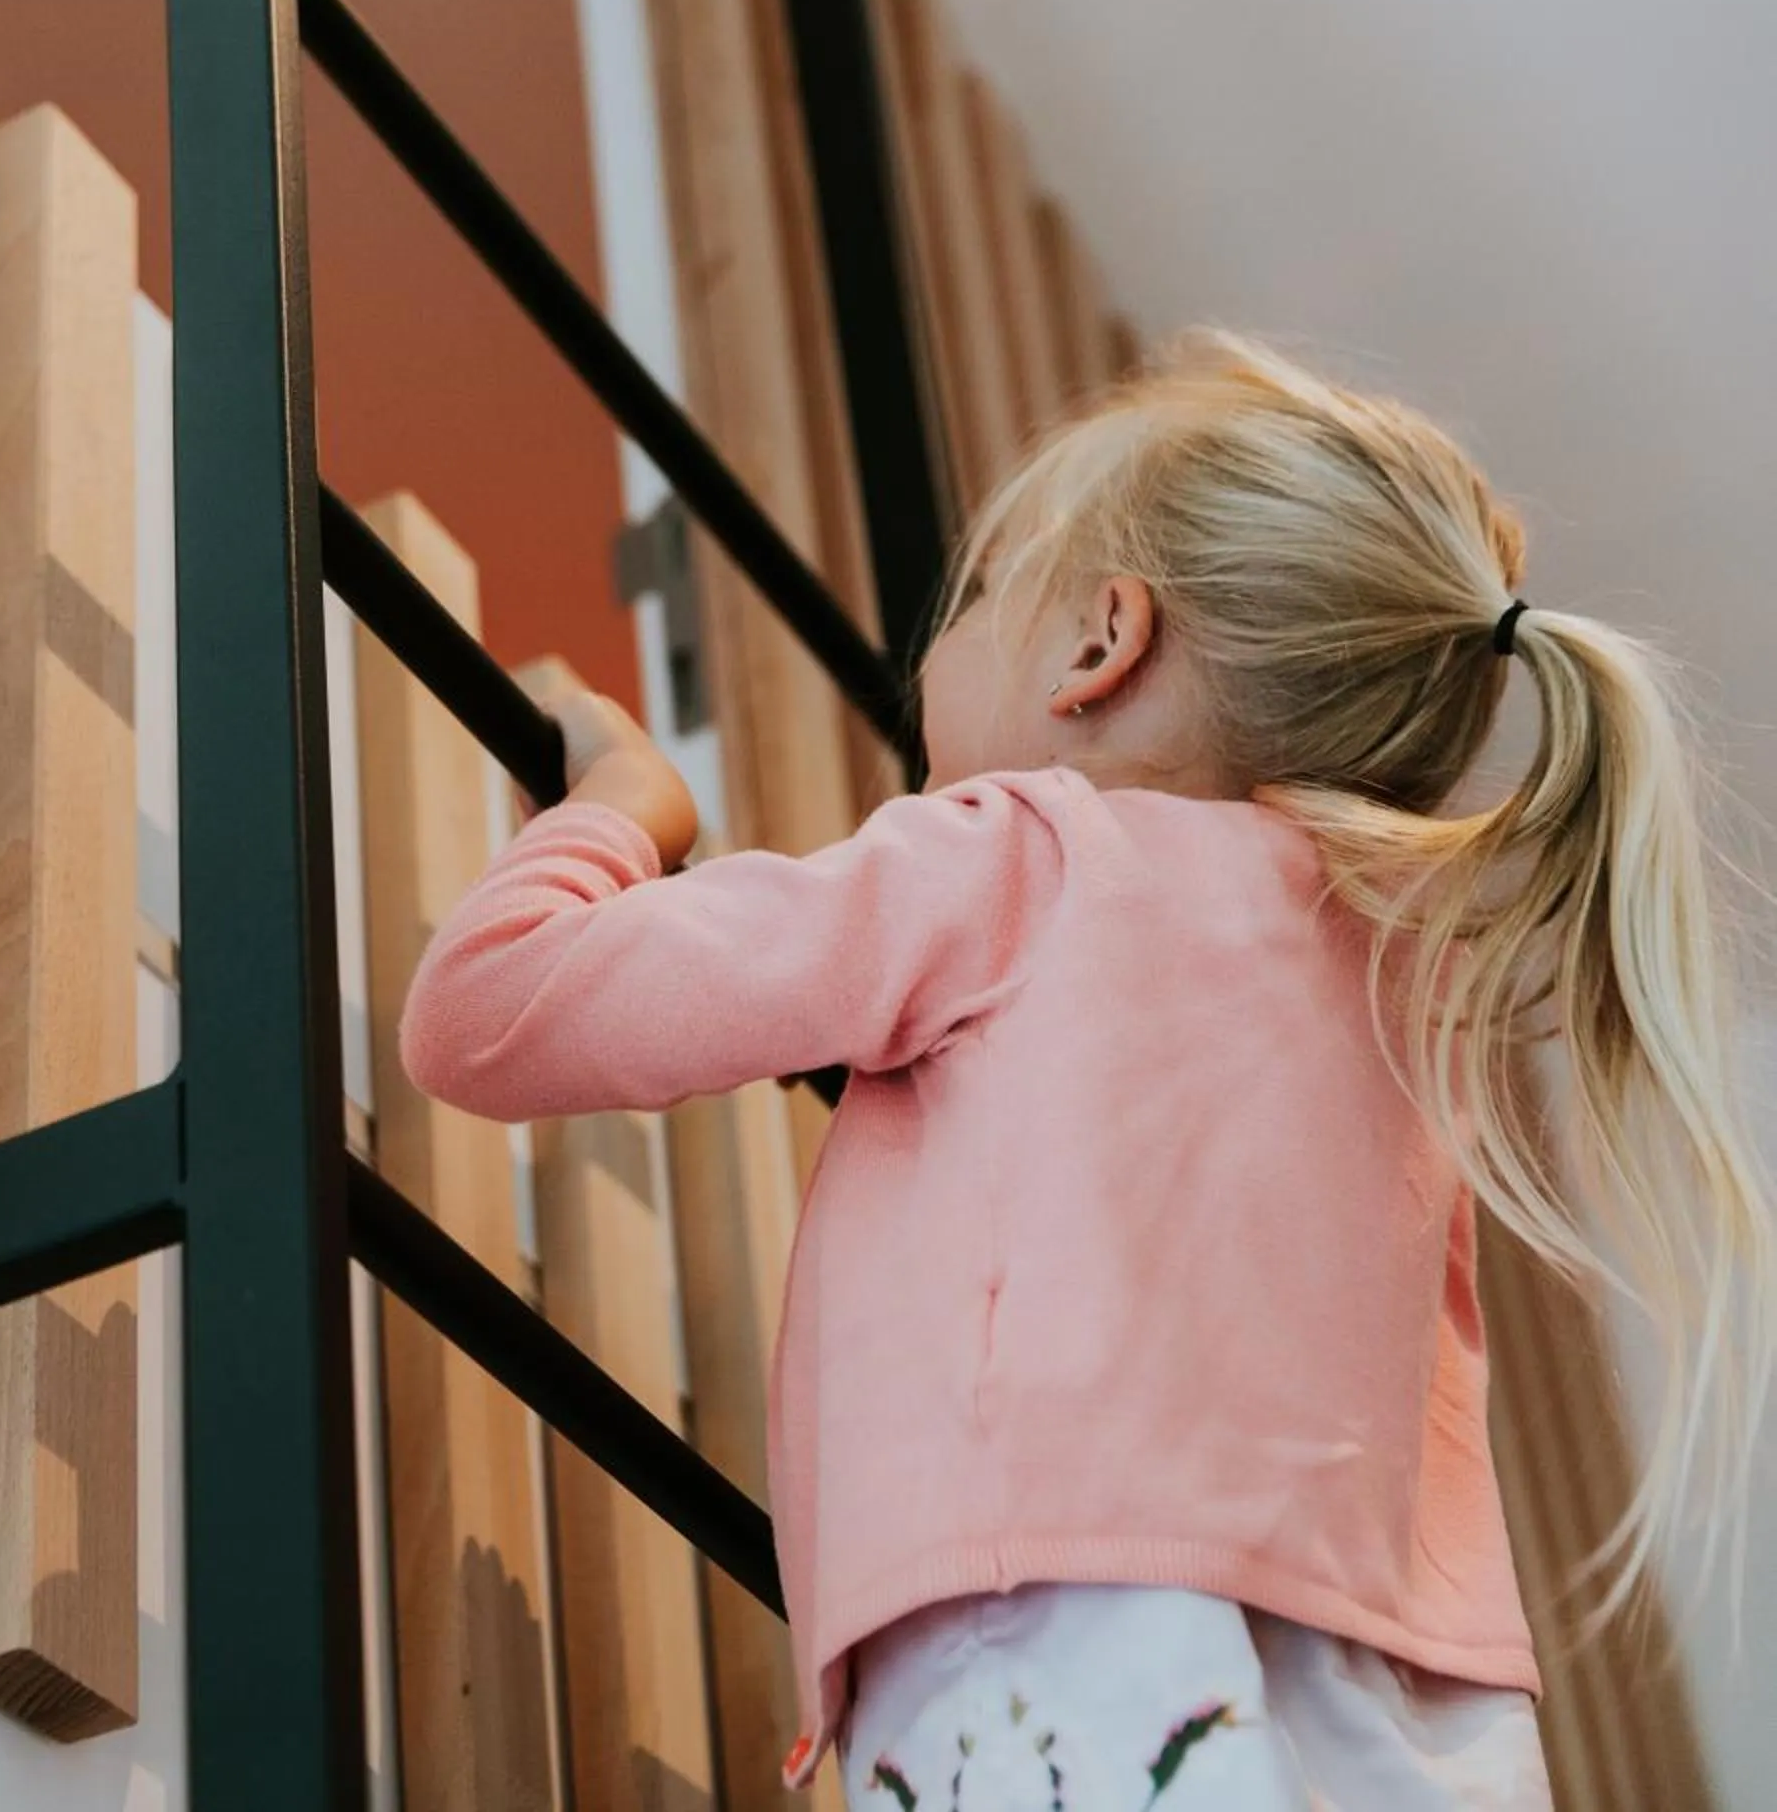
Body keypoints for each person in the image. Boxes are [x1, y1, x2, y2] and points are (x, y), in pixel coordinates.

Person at [398, 334, 1776, 1808]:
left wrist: (624, 805)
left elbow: (485, 1011)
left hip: (1066, 1632)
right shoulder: (1406, 995)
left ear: (1100, 643)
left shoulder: (1022, 853)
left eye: (985, 591)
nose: (945, 638)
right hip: (1426, 1713)